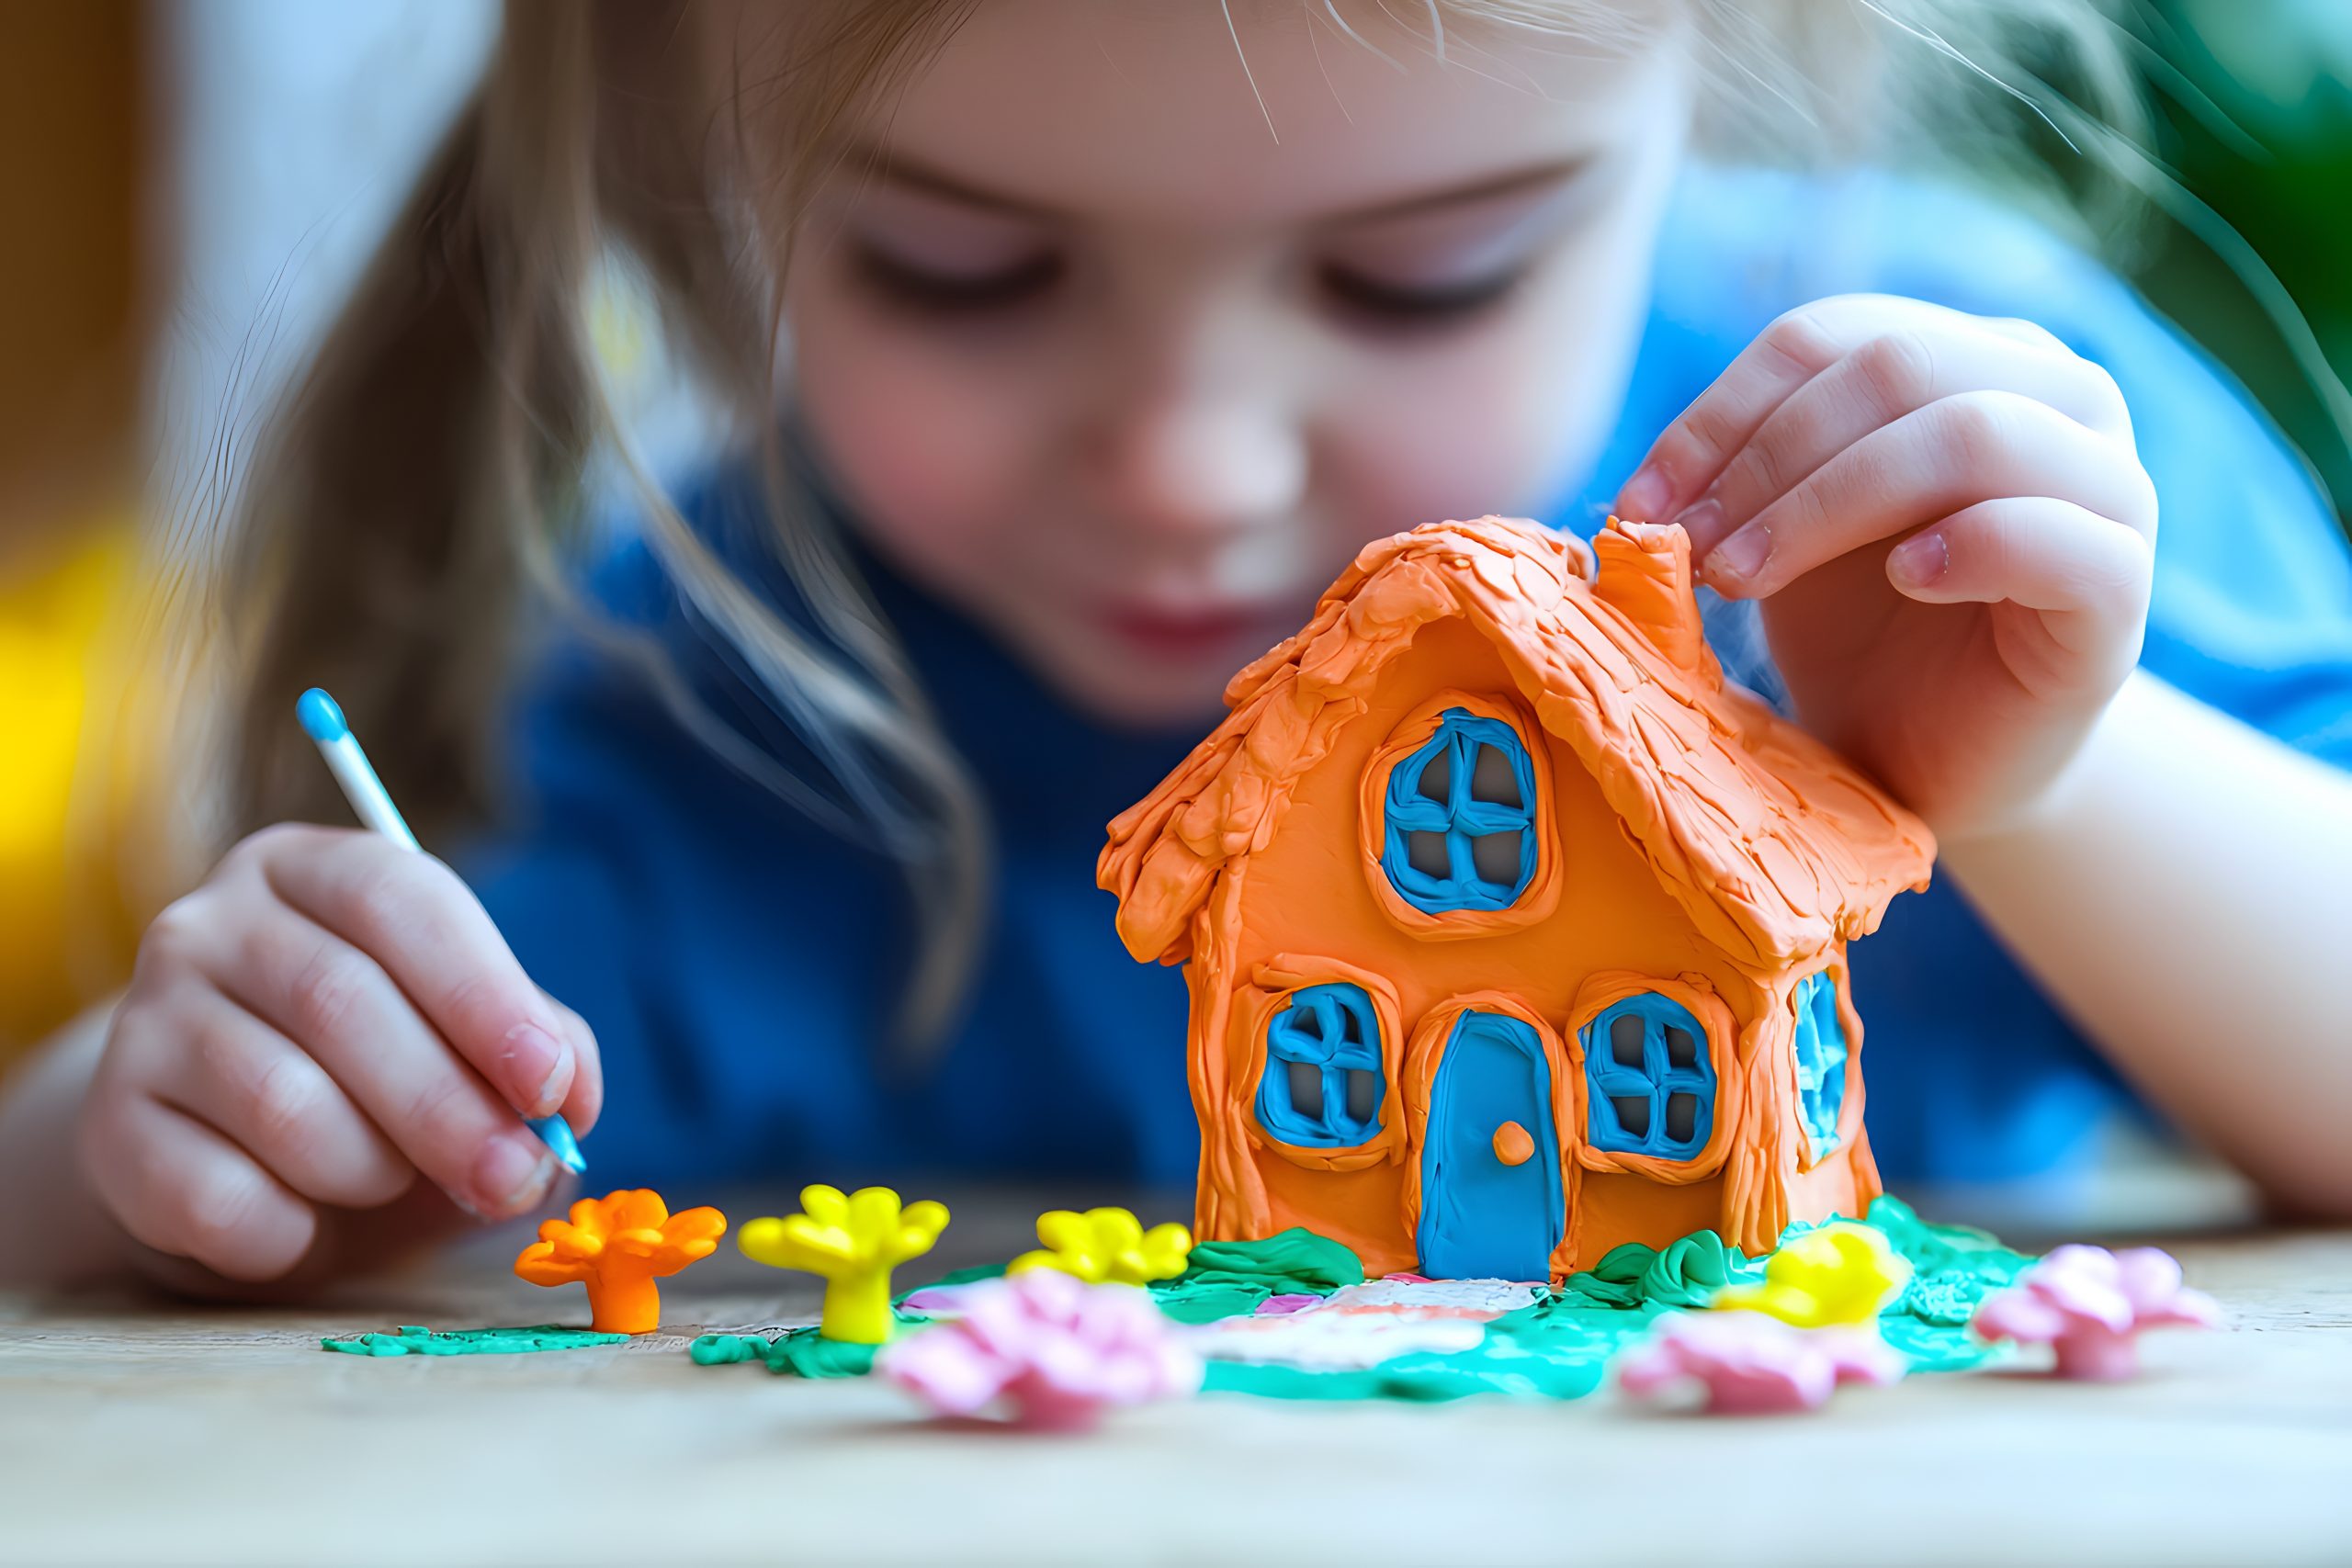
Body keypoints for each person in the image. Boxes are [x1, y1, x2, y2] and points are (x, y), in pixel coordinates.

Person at [4, 0, 2347, 1292]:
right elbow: (103, 1215)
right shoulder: (727, 683)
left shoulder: (1959, 478)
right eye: (961, 269)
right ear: (672, 139)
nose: (1188, 465)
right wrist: (194, 1131)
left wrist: (2033, 773)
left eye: (1417, 273)